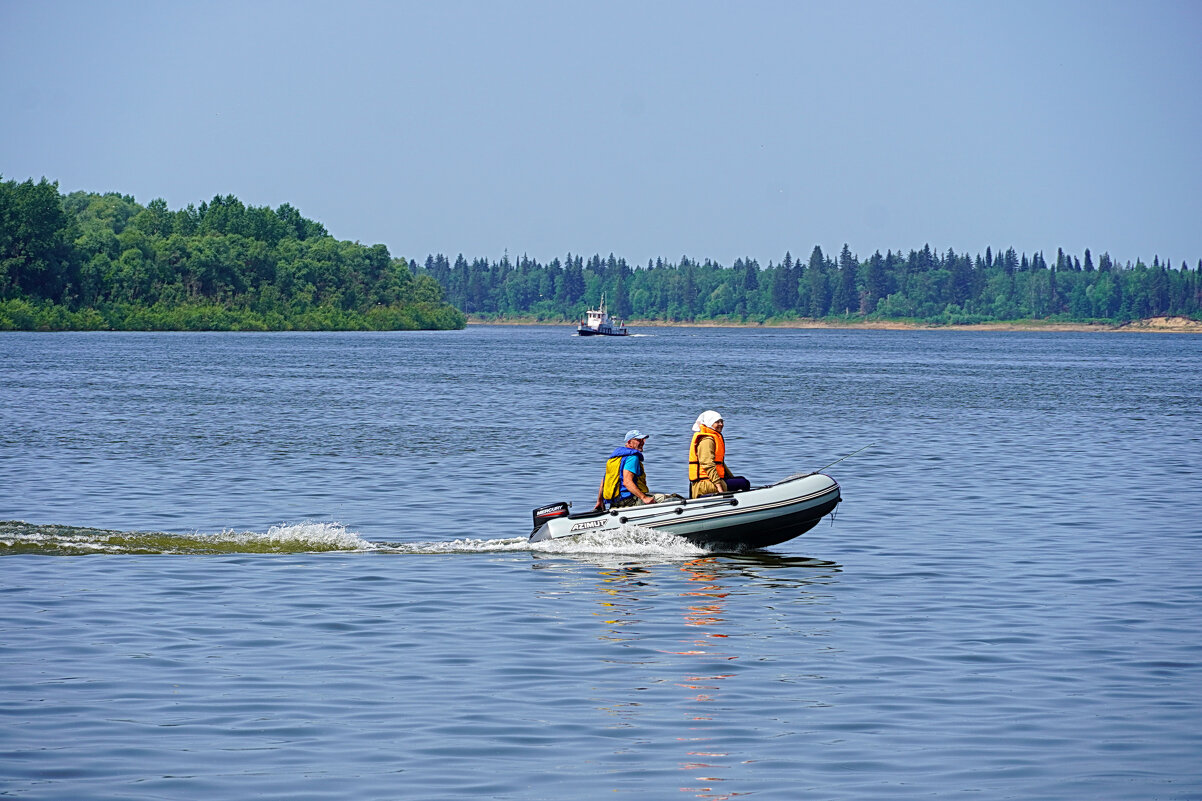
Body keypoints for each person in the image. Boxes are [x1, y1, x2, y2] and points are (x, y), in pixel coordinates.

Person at [594, 429, 679, 510]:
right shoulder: (632, 458)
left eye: (643, 440)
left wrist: (599, 500)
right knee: (674, 499)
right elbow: (627, 482)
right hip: (630, 500)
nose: (642, 442)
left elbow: (604, 482)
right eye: (639, 440)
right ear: (629, 442)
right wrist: (644, 498)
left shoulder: (614, 459)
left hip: (616, 503)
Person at [688, 410, 751, 498]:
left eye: (721, 421)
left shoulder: (713, 437)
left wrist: (731, 478)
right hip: (705, 484)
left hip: (710, 481)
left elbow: (720, 464)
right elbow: (708, 464)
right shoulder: (707, 440)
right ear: (709, 423)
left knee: (740, 480)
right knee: (743, 483)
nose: (721, 424)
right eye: (717, 422)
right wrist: (719, 487)